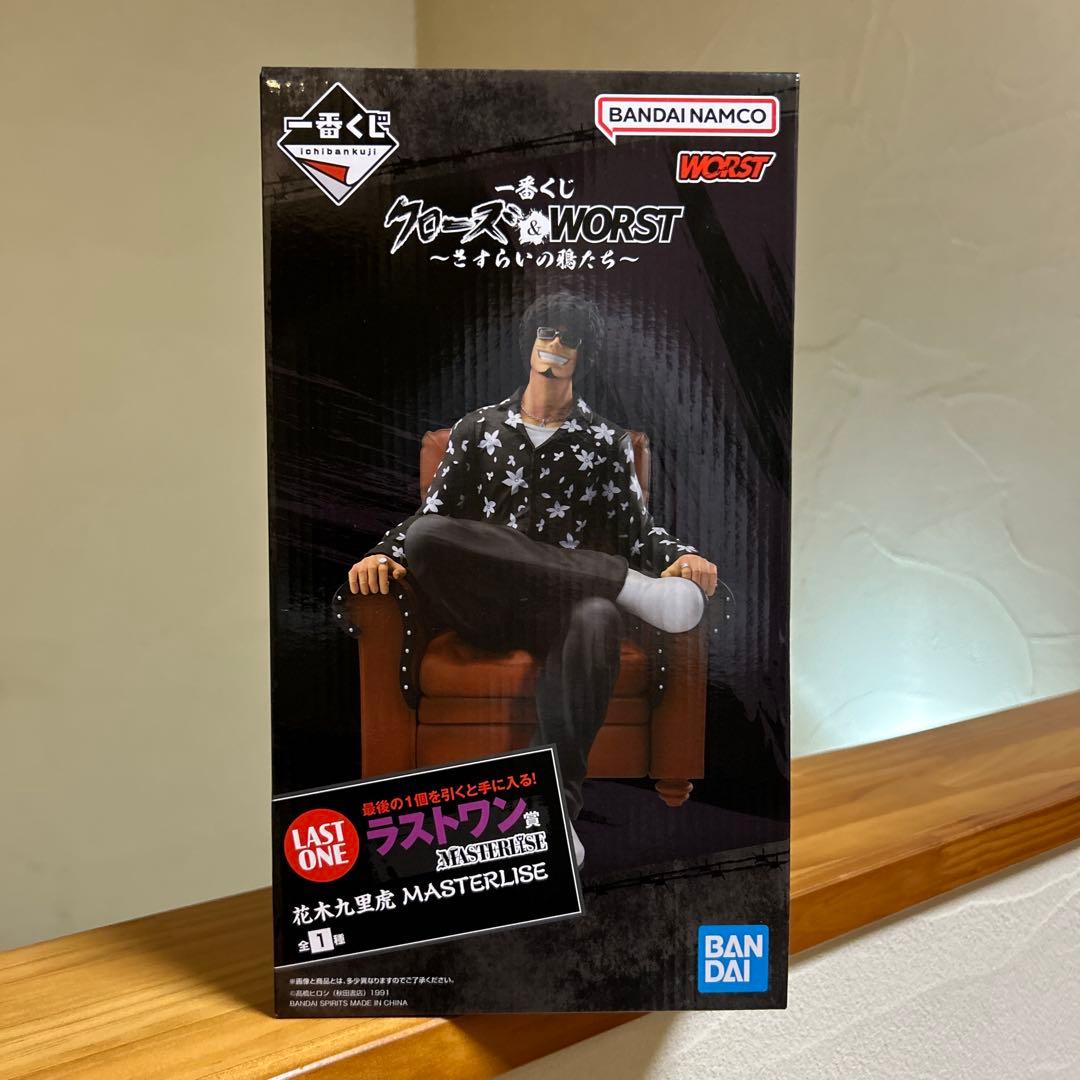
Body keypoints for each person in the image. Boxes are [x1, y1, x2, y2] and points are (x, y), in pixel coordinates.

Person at [347, 292, 718, 865]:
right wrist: (382, 554)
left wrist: (684, 556)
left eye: (571, 339)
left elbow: (639, 530)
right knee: (427, 537)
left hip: (561, 609)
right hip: (482, 605)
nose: (556, 347)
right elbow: (430, 516)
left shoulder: (606, 442)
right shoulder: (477, 429)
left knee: (597, 615)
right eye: (548, 334)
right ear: (530, 342)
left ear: (584, 354)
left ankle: (554, 814)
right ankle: (620, 582)